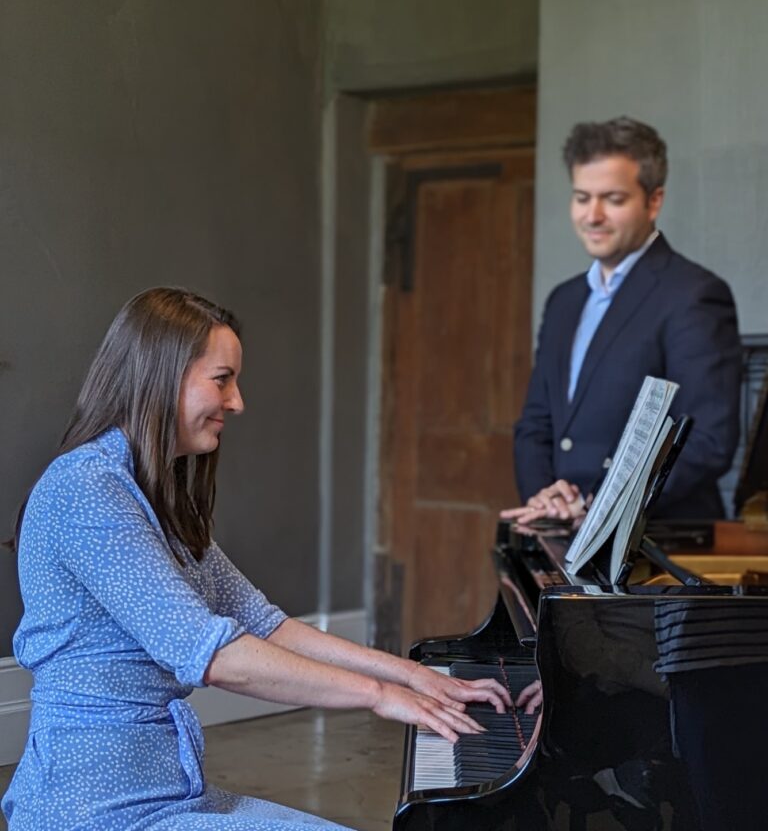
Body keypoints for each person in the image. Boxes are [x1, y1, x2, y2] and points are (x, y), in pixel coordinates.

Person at [2, 288, 510, 831]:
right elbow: (215, 655)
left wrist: (413, 675)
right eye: (222, 379)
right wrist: (379, 697)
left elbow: (265, 625)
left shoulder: (152, 495)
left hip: (172, 791)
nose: (238, 401)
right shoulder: (87, 488)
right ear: (161, 375)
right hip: (92, 811)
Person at [502, 116, 741, 526]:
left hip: (652, 550)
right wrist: (545, 497)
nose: (592, 215)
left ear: (654, 201)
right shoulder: (563, 300)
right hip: (561, 538)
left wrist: (600, 504)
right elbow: (536, 424)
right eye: (581, 197)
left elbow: (708, 441)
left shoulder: (695, 294)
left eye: (612, 199)